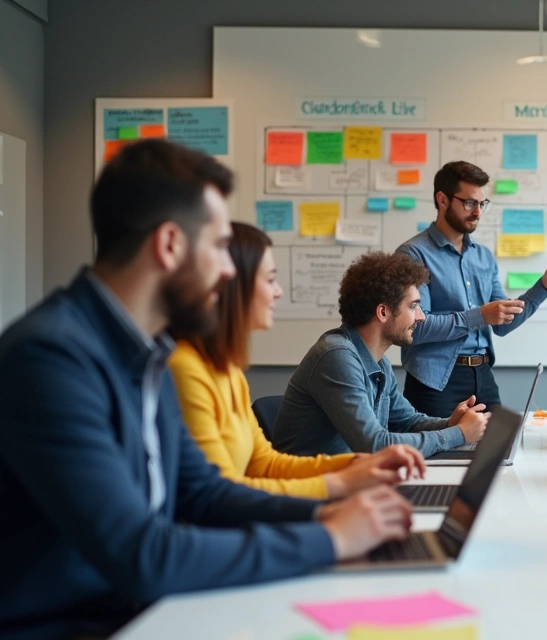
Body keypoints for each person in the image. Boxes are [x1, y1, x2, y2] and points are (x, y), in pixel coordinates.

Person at [0, 140, 414, 640]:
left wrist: (329, 513)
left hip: (143, 611)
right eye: (219, 247)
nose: (226, 272)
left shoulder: (147, 351)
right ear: (170, 244)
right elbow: (142, 553)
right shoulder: (51, 358)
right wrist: (328, 538)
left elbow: (203, 494)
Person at [169, 222, 427, 499]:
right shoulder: (186, 369)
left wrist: (358, 465)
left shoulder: (228, 370)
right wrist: (340, 485)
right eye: (270, 280)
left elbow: (264, 464)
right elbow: (217, 496)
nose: (278, 291)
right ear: (231, 283)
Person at [395, 161, 547, 416]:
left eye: (482, 204)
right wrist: (480, 315)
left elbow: (502, 325)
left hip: (483, 375)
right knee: (437, 455)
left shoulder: (484, 257)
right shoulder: (413, 254)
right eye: (469, 203)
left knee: (498, 452)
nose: (477, 211)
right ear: (442, 200)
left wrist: (543, 287)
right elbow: (414, 327)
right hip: (434, 381)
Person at [273, 251, 490, 457]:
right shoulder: (336, 356)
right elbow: (374, 445)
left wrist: (451, 424)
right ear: (383, 312)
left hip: (348, 482)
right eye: (413, 306)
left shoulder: (378, 362)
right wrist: (460, 434)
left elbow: (407, 421)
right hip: (308, 490)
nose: (421, 317)